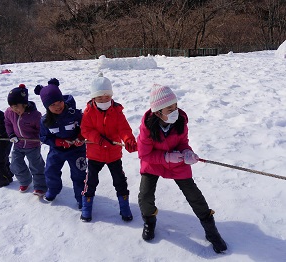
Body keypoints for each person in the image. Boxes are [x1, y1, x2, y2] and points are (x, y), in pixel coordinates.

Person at [137, 84, 227, 253]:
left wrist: (188, 153)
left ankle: (211, 232)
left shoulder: (180, 121)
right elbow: (144, 155)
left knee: (194, 195)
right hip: (154, 163)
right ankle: (149, 222)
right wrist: (164, 157)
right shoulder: (147, 128)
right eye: (170, 108)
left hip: (177, 162)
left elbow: (183, 142)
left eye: (175, 106)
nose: (175, 111)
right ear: (158, 112)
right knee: (145, 195)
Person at [80, 73, 137, 222]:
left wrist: (129, 140)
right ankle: (86, 207)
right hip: (95, 155)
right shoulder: (88, 112)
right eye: (100, 97)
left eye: (107, 97)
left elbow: (124, 129)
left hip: (113, 154)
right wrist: (98, 139)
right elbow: (85, 130)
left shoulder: (117, 111)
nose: (104, 100)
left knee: (120, 180)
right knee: (91, 181)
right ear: (94, 98)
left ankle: (124, 207)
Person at [34, 78, 87, 208]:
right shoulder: (45, 120)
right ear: (47, 107)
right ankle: (52, 190)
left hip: (77, 150)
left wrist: (81, 137)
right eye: (53, 105)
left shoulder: (75, 114)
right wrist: (58, 142)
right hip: (57, 150)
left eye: (59, 102)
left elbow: (86, 128)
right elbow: (43, 137)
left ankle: (81, 198)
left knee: (79, 174)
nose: (58, 106)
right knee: (50, 172)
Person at [4, 84, 47, 196]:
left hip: (32, 145)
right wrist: (11, 134)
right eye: (12, 107)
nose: (15, 109)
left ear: (25, 104)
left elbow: (41, 129)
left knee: (36, 165)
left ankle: (40, 186)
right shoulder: (9, 112)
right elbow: (8, 123)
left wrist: (39, 138)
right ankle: (25, 181)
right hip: (18, 144)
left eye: (17, 106)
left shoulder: (35, 115)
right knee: (15, 164)